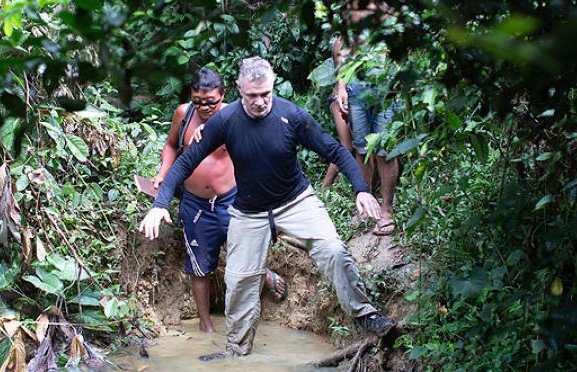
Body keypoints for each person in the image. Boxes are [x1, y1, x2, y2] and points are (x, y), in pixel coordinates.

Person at [140, 57, 397, 360]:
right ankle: (235, 353)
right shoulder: (225, 121)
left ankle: (366, 315)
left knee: (334, 251)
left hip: (296, 203)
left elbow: (335, 150)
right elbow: (185, 160)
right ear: (239, 89)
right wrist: (159, 204)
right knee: (238, 282)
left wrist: (362, 190)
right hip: (248, 213)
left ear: (272, 88)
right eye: (252, 96)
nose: (260, 102)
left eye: (266, 94)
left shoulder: (292, 115)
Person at [150, 67, 287, 334]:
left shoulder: (236, 115)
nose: (204, 107)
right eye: (198, 101)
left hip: (232, 198)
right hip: (195, 202)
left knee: (246, 253)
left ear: (223, 96)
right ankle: (205, 325)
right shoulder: (184, 114)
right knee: (199, 266)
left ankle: (264, 274)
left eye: (210, 102)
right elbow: (170, 145)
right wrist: (162, 172)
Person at [333, 0, 401, 235]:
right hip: (357, 91)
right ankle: (365, 203)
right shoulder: (350, 0)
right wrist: (341, 87)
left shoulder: (383, 2)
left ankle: (386, 210)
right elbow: (341, 46)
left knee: (385, 151)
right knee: (362, 150)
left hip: (385, 92)